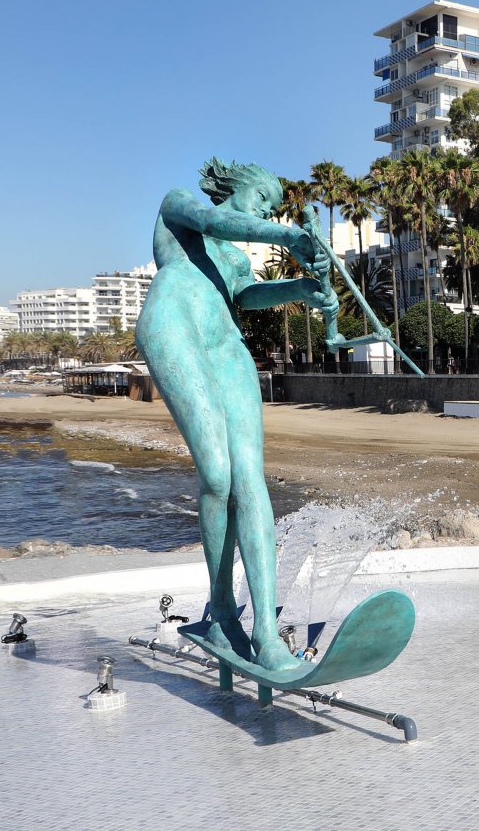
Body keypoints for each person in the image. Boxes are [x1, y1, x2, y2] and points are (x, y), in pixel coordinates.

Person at [136, 157, 336, 671]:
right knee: (218, 474)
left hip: (228, 348)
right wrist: (287, 234)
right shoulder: (179, 205)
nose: (265, 210)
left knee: (251, 479)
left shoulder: (238, 261)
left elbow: (246, 296)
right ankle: (222, 612)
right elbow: (218, 223)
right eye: (262, 199)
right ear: (239, 186)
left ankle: (266, 633)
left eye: (271, 208)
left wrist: (303, 290)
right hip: (174, 323)